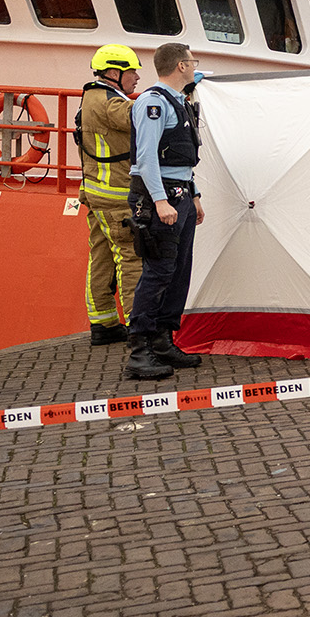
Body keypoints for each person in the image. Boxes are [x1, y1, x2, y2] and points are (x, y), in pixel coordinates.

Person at [124, 42, 206, 381]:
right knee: (158, 271)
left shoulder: (178, 102)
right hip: (160, 197)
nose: (194, 67)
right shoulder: (153, 103)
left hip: (180, 192)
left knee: (178, 270)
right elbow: (146, 158)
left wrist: (194, 195)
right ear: (181, 66)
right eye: (192, 62)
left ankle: (162, 339)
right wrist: (160, 201)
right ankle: (139, 349)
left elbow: (181, 158)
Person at [77, 44, 144, 346]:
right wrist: (173, 95)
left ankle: (103, 324)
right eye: (133, 72)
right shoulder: (110, 103)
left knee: (102, 256)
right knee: (131, 258)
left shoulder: (90, 97)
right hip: (117, 196)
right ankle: (138, 328)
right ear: (114, 73)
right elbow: (141, 116)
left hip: (96, 192)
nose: (137, 78)